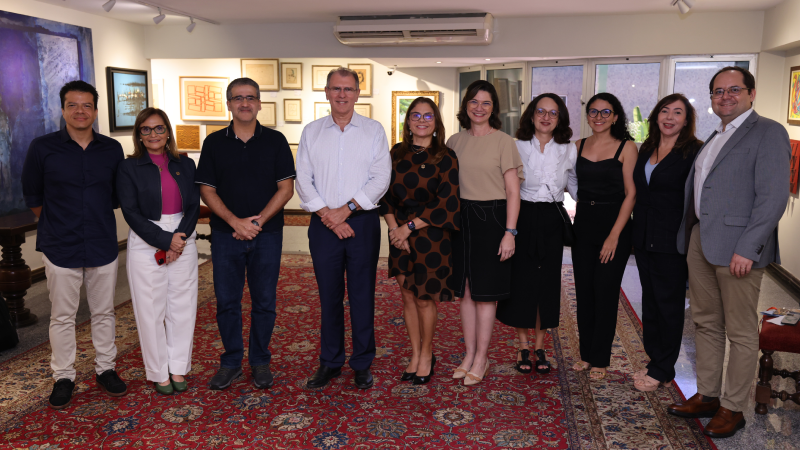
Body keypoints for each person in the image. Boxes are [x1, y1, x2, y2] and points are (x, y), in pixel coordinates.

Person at [668, 67, 790, 438]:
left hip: (738, 251)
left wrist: (748, 248)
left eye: (733, 89)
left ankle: (732, 407)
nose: (725, 96)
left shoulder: (768, 132)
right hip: (702, 241)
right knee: (705, 323)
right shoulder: (717, 135)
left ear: (751, 93)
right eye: (717, 91)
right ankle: (707, 394)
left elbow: (773, 198)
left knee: (739, 332)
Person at [22, 80, 127, 409]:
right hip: (60, 244)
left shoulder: (111, 149)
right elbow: (33, 196)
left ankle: (105, 369)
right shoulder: (42, 148)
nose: (80, 111)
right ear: (63, 109)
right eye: (73, 105)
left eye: (86, 105)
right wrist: (58, 220)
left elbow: (113, 196)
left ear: (96, 110)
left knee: (104, 312)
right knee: (63, 316)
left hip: (101, 242)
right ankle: (63, 376)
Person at [196, 78, 296, 390]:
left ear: (259, 103)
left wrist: (256, 223)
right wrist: (235, 221)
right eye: (238, 98)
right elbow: (206, 190)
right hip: (226, 236)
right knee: (227, 301)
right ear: (228, 103)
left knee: (264, 301)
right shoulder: (213, 143)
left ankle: (260, 361)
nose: (244, 103)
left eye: (250, 97)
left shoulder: (276, 141)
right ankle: (231, 362)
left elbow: (286, 188)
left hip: (267, 235)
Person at [296, 67, 391, 390]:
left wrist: (345, 210)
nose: (342, 95)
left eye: (348, 89)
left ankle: (362, 363)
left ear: (357, 94)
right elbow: (303, 179)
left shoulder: (373, 130)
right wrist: (328, 215)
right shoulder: (312, 132)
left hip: (361, 222)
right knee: (329, 296)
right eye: (336, 89)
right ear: (326, 92)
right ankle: (330, 362)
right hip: (323, 225)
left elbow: (381, 178)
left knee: (363, 295)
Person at [117, 108, 200, 395]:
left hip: (183, 235)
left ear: (168, 132)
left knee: (183, 307)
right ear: (138, 134)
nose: (153, 134)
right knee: (150, 309)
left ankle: (178, 366)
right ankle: (158, 372)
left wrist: (180, 238)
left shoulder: (185, 164)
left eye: (159, 128)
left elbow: (193, 205)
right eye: (146, 129)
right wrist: (165, 241)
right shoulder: (128, 167)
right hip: (146, 239)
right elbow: (129, 211)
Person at [446, 80, 523, 386]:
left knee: (485, 296)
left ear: (494, 109)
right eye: (474, 102)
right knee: (464, 290)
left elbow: (513, 193)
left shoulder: (504, 141)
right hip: (460, 219)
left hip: (492, 219)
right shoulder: (454, 141)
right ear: (466, 106)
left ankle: (482, 358)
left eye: (486, 103)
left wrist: (510, 232)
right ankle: (469, 354)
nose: (479, 108)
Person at [379, 97, 460, 385]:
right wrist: (394, 230)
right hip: (398, 234)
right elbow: (384, 196)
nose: (422, 120)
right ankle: (414, 353)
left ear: (436, 122)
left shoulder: (446, 156)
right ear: (408, 121)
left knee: (425, 299)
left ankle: (427, 354)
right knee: (407, 296)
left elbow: (447, 203)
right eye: (416, 115)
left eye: (428, 116)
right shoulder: (396, 153)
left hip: (431, 235)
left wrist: (408, 228)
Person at [496, 94, 577, 375]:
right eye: (540, 111)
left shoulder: (569, 149)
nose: (546, 117)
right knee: (522, 282)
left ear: (560, 118)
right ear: (531, 115)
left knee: (547, 283)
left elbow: (576, 185)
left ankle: (541, 345)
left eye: (553, 113)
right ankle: (522, 345)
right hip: (523, 214)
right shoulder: (515, 146)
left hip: (553, 217)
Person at [631, 94, 702, 392]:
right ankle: (655, 360)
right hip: (644, 236)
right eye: (664, 111)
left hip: (673, 240)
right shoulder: (647, 147)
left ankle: (662, 368)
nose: (669, 117)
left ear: (686, 120)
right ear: (655, 116)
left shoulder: (695, 151)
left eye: (677, 112)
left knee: (668, 306)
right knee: (650, 302)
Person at [571, 93, 638, 381]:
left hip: (615, 225)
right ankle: (587, 354)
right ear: (587, 116)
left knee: (605, 291)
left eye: (605, 112)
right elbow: (569, 184)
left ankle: (601, 358)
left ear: (615, 116)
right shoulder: (578, 145)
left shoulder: (627, 147)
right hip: (583, 223)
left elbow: (632, 194)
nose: (598, 117)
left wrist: (614, 236)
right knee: (584, 291)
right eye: (593, 112)